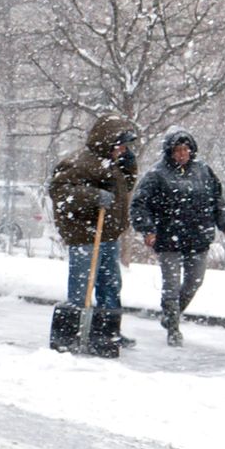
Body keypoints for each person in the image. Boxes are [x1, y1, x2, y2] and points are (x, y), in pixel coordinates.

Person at [128, 129, 225, 346]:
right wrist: (148, 229)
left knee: (195, 281)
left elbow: (217, 200)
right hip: (168, 238)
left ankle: (171, 314)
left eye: (186, 149)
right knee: (171, 283)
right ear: (170, 152)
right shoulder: (157, 175)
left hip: (198, 237)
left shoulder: (203, 171)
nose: (182, 154)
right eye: (177, 150)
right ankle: (173, 327)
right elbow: (140, 204)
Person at [49, 112, 140, 344]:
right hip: (85, 236)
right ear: (108, 141)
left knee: (110, 286)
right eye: (121, 146)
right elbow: (60, 191)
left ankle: (106, 332)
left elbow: (123, 187)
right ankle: (71, 334)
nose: (123, 150)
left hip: (108, 235)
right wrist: (93, 196)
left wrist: (129, 168)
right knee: (82, 287)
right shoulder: (80, 162)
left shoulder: (113, 163)